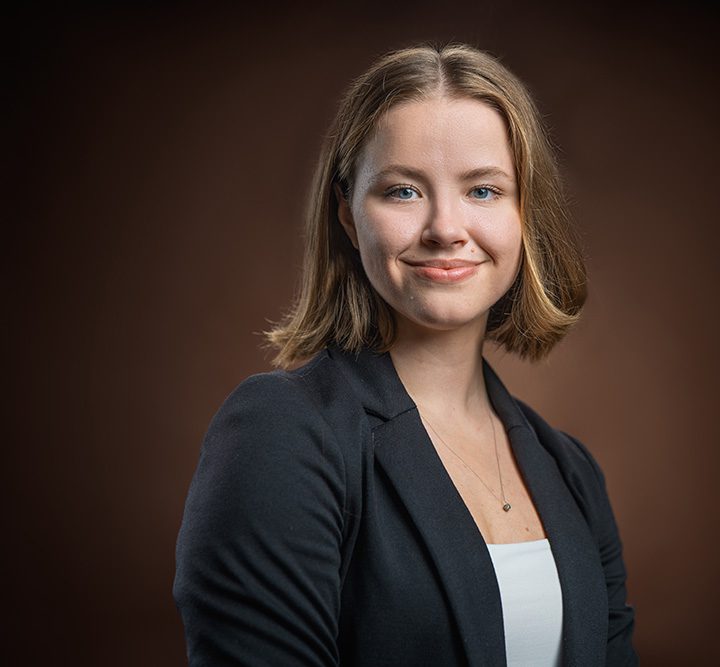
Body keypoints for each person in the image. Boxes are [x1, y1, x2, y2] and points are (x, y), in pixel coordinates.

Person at [173, 42, 638, 666]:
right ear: (347, 215)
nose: (446, 228)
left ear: (526, 215)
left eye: (483, 191)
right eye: (402, 192)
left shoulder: (571, 472)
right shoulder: (280, 434)